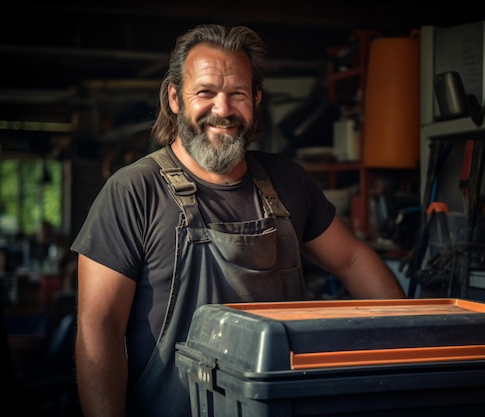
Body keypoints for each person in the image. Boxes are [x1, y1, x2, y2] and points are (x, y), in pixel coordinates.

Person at [72, 23, 406, 417]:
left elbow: (351, 260)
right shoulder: (133, 191)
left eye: (238, 94)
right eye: (206, 93)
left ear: (256, 99)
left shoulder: (288, 181)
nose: (224, 109)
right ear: (175, 98)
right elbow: (99, 329)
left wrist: (409, 345)